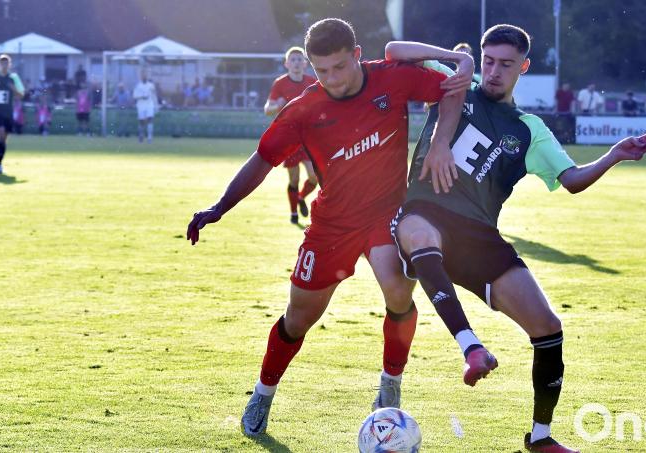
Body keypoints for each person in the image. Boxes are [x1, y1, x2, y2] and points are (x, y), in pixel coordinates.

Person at [185, 18, 471, 437]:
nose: (332, 79)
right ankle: (263, 392)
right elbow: (263, 159)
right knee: (298, 318)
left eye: (339, 66)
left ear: (356, 55)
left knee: (398, 290)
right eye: (322, 71)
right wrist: (220, 207)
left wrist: (441, 142)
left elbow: (451, 91)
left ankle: (390, 385)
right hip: (331, 226)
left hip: (386, 214)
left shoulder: (392, 77)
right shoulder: (304, 109)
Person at [385, 25, 646, 453]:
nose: (494, 72)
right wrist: (460, 60)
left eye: (506, 64)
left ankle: (541, 437)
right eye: (489, 61)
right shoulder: (455, 81)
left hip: (479, 237)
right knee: (420, 232)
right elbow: (393, 50)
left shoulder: (529, 129)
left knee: (548, 327)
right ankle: (471, 347)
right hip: (425, 212)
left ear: (524, 67)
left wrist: (613, 156)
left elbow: (571, 179)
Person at [264, 47, 319, 224]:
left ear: (305, 63)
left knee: (314, 177)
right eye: (293, 59)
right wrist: (277, 105)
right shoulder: (280, 83)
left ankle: (301, 197)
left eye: (299, 59)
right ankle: (294, 213)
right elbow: (267, 110)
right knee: (294, 178)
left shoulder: (312, 82)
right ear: (286, 64)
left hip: (308, 138)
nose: (296, 63)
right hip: (289, 138)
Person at [133, 69, 157, 143]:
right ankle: (141, 135)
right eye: (143, 76)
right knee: (141, 121)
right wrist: (142, 97)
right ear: (141, 77)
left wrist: (156, 104)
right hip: (141, 105)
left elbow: (154, 94)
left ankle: (149, 137)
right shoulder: (138, 86)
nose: (144, 77)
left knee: (150, 119)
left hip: (149, 104)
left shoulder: (151, 85)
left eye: (146, 75)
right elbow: (134, 96)